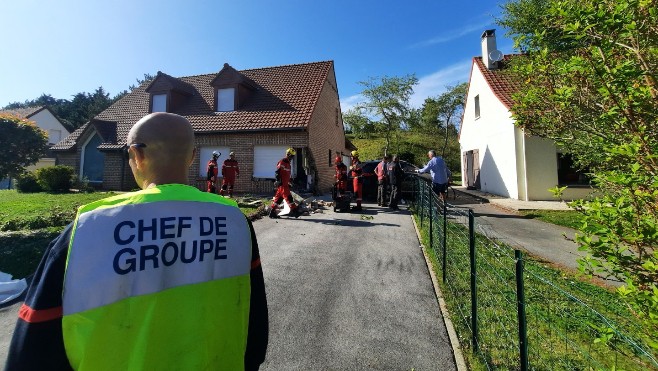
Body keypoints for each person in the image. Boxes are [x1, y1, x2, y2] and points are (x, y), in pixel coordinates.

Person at [6, 112, 268, 371]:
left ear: (137, 156)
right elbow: (255, 321)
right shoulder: (235, 222)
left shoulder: (87, 230)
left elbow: (33, 344)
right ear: (191, 157)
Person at [269, 147, 301, 218]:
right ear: (288, 154)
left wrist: (289, 181)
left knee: (278, 199)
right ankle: (295, 212)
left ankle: (272, 213)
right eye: (291, 156)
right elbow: (278, 172)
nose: (292, 158)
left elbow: (287, 174)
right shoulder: (282, 161)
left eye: (293, 156)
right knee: (289, 198)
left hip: (284, 184)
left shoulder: (288, 164)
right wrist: (277, 180)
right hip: (282, 185)